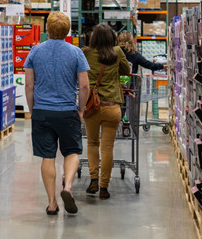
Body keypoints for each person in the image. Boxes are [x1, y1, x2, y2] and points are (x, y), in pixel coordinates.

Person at [25, 12, 90, 215]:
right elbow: (84, 86)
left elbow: (29, 85)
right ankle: (68, 187)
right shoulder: (76, 52)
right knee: (72, 152)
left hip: (42, 111)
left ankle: (52, 203)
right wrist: (81, 109)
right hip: (67, 111)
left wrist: (32, 109)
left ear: (47, 29)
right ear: (67, 30)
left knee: (48, 156)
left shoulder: (35, 51)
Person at [82, 24, 131, 200]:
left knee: (92, 143)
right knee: (107, 147)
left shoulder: (86, 52)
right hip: (112, 106)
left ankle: (93, 179)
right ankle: (104, 187)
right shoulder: (117, 52)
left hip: (92, 106)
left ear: (93, 37)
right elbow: (126, 71)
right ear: (112, 38)